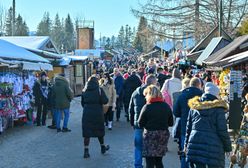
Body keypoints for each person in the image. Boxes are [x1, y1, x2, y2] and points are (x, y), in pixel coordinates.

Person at [185, 82, 232, 168]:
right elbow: (222, 131)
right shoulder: (218, 110)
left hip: (196, 145)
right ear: (216, 95)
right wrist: (228, 148)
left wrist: (186, 146)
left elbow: (188, 129)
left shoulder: (194, 107)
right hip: (214, 147)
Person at [138, 85, 173, 168]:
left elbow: (140, 123)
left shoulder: (147, 107)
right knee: (158, 161)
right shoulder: (166, 106)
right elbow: (171, 123)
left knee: (149, 161)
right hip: (162, 135)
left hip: (150, 135)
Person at [129, 75, 158, 168]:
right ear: (153, 83)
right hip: (150, 125)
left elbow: (131, 109)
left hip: (138, 124)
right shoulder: (154, 93)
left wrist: (132, 122)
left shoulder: (135, 93)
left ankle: (138, 165)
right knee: (150, 147)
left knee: (138, 147)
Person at [173, 77, 203, 168]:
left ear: (190, 84)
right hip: (199, 129)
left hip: (184, 128)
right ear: (199, 85)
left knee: (184, 154)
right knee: (198, 155)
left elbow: (176, 112)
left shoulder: (182, 95)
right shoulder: (202, 95)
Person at [81, 76, 110, 159]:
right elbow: (105, 101)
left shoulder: (84, 90)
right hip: (98, 113)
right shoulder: (99, 90)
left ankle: (86, 151)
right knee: (99, 130)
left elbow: (82, 103)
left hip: (87, 113)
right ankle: (102, 147)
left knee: (87, 132)